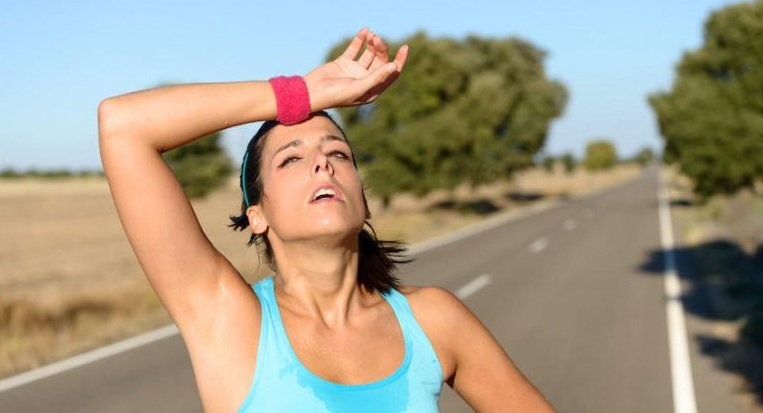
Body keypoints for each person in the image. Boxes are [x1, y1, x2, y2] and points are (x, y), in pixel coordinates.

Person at [98, 27, 556, 412]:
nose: (323, 164)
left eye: (337, 152)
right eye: (291, 160)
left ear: (364, 201)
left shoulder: (435, 319)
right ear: (257, 215)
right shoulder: (232, 321)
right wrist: (300, 94)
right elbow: (122, 125)